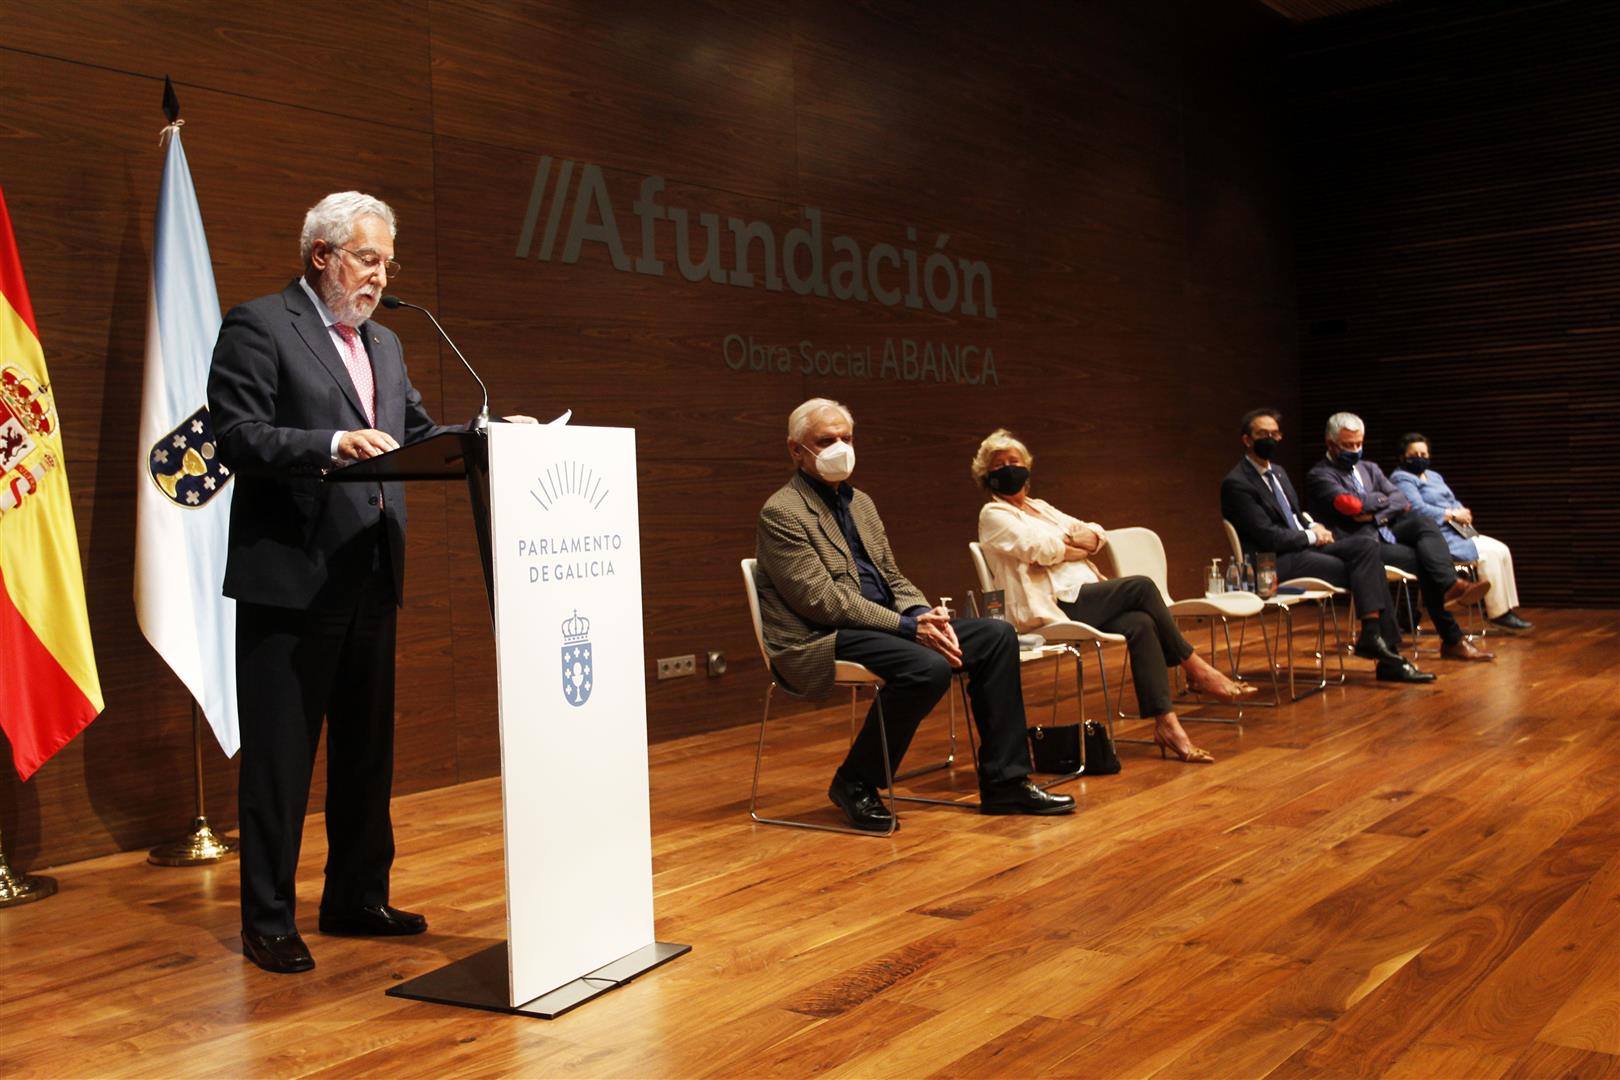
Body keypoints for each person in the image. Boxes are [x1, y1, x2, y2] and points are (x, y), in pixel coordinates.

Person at [209, 191, 533, 974]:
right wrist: (329, 441)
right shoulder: (260, 325)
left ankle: (356, 896)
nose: (381, 276)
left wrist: (492, 439)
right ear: (321, 255)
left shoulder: (384, 343)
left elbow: (415, 432)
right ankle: (269, 919)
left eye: (387, 262)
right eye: (367, 258)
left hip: (371, 567)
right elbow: (235, 435)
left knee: (365, 751)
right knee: (283, 759)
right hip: (291, 576)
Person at [753, 400, 1075, 831]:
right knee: (926, 668)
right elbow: (821, 601)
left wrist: (925, 615)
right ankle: (856, 782)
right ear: (796, 451)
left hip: (886, 623)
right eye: (825, 441)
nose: (840, 448)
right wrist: (908, 626)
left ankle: (1006, 782)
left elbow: (892, 576)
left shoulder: (861, 503)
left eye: (846, 439)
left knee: (997, 636)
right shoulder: (782, 512)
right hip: (822, 634)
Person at [974, 429, 1256, 765]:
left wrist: (1075, 544)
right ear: (987, 476)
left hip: (1085, 596)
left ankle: (1167, 724)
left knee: (1140, 622)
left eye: (1014, 461)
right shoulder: (993, 515)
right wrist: (1069, 546)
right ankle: (1196, 668)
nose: (1008, 468)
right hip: (1056, 604)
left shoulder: (1041, 508)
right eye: (999, 465)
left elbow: (1096, 532)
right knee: (1141, 586)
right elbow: (1039, 549)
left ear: (1028, 467)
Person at [1221, 408, 1433, 683]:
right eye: (1263, 434)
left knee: (1366, 548)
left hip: (1301, 548)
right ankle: (1385, 652)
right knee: (1366, 570)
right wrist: (1312, 537)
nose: (1270, 439)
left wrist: (1312, 528)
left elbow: (1294, 518)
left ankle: (1372, 635)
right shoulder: (1236, 483)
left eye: (1275, 434)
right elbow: (1268, 536)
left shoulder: (1279, 474)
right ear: (1247, 440)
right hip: (1271, 563)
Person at [1304, 412, 1493, 663]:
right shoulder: (1320, 474)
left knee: (1424, 523)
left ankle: (1451, 588)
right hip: (1356, 543)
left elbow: (1401, 500)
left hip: (1383, 530)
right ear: (1330, 444)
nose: (1355, 450)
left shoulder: (1369, 467)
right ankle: (1452, 636)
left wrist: (1373, 513)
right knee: (1426, 561)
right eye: (1347, 446)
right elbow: (1350, 506)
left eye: (1359, 444)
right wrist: (1380, 504)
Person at [1391, 433, 1531, 631]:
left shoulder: (1435, 476)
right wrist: (1451, 514)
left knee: (1502, 549)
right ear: (1403, 457)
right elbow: (1416, 509)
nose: (1420, 457)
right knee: (1488, 555)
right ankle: (1498, 614)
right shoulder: (1402, 478)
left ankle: (1507, 608)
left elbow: (1452, 500)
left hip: (1457, 531)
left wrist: (1462, 512)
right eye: (1415, 454)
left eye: (1424, 453)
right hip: (1436, 536)